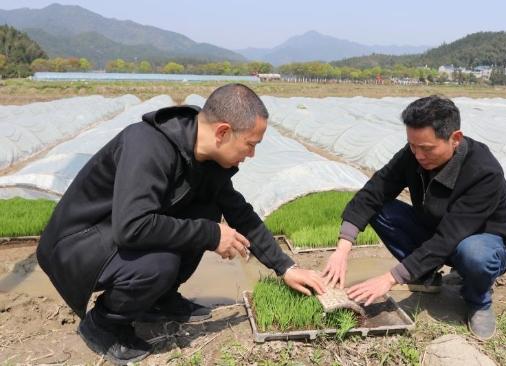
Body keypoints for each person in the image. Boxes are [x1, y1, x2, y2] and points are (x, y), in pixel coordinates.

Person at [37, 83, 325, 365]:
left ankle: (158, 300)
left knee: (205, 211)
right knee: (162, 261)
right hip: (77, 244)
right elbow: (131, 227)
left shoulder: (209, 161)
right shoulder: (148, 146)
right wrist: (211, 234)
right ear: (223, 132)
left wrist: (286, 267)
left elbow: (241, 213)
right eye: (250, 144)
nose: (251, 155)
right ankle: (102, 324)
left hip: (114, 234)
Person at [323, 95, 506, 341]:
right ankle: (425, 276)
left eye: (426, 148)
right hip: (440, 231)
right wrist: (343, 246)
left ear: (455, 139)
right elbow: (374, 191)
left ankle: (478, 301)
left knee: (474, 254)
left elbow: (449, 238)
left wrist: (390, 278)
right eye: (412, 146)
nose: (417, 155)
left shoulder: (483, 171)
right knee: (382, 210)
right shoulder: (414, 154)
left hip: (483, 242)